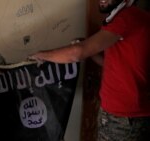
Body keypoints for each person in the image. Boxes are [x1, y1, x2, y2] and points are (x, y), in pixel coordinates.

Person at [30, 0, 150, 140]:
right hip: (122, 114)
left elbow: (77, 53)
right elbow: (111, 64)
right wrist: (90, 51)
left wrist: (42, 55)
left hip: (125, 117)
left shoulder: (126, 18)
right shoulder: (129, 18)